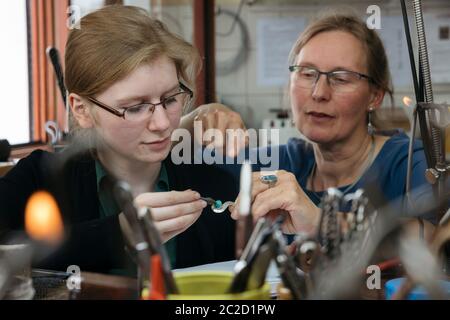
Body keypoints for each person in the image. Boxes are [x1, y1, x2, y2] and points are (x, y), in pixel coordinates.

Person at [0, 5, 241, 275]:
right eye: (135, 107)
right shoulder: (38, 180)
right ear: (81, 110)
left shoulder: (215, 184)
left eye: (171, 99)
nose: (162, 123)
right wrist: (119, 233)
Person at [193, 13, 439, 237]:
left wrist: (321, 222)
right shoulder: (286, 162)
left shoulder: (407, 164)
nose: (319, 93)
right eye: (307, 74)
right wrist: (202, 117)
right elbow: (180, 161)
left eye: (341, 78)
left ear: (375, 96)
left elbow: (438, 239)